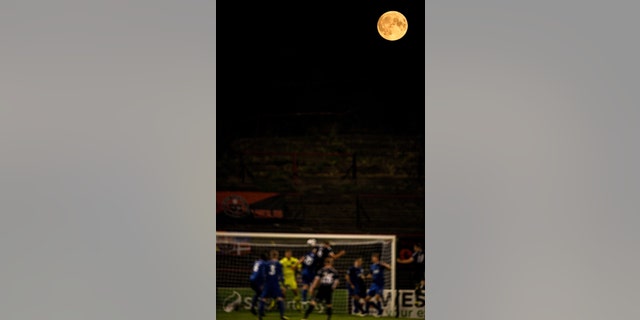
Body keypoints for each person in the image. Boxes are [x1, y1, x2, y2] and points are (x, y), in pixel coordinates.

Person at [259, 250, 289, 320]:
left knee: (263, 299)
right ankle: (282, 316)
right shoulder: (278, 264)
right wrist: (284, 285)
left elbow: (263, 275)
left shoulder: (266, 264)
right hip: (275, 284)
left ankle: (260, 317)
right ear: (277, 256)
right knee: (280, 299)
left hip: (267, 284)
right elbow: (281, 276)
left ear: (270, 256)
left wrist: (262, 284)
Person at [364, 253, 391, 317]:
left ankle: (379, 312)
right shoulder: (372, 266)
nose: (372, 259)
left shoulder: (380, 264)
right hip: (374, 284)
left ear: (376, 258)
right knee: (367, 299)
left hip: (380, 284)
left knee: (377, 297)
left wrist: (385, 264)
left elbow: (389, 268)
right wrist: (365, 277)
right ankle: (367, 312)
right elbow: (371, 274)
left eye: (373, 257)